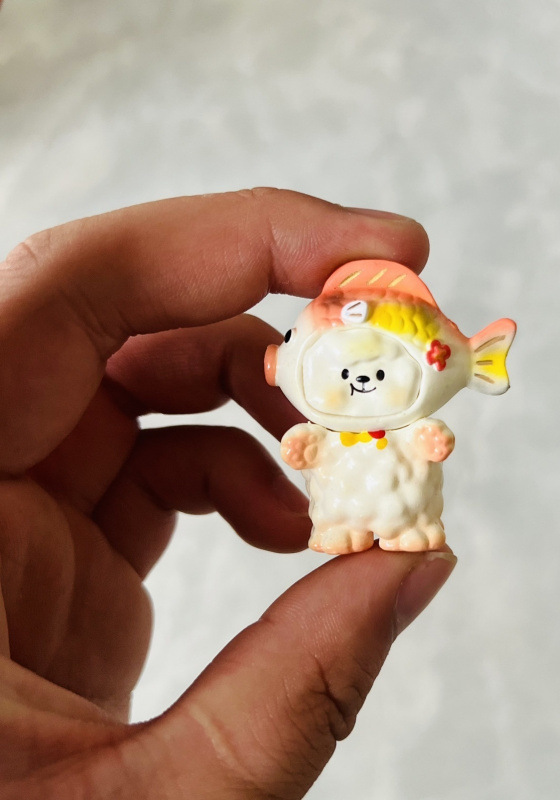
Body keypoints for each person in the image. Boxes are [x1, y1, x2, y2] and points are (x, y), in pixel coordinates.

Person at [0, 189, 457, 798]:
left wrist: (427, 437)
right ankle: (345, 528)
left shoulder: (407, 410)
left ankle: (402, 526)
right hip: (344, 501)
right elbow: (309, 442)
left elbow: (426, 438)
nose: (361, 380)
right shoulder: (322, 415)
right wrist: (307, 445)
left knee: (405, 512)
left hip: (404, 499)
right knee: (336, 514)